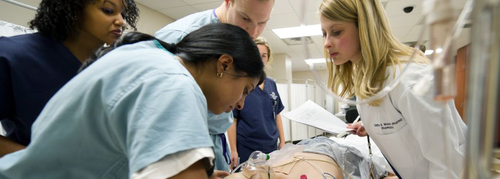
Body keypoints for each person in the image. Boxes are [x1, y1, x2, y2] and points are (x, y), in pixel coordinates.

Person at [0, 23, 265, 179]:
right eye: (245, 90)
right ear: (225, 64)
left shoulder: (149, 55)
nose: (241, 104)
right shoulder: (174, 84)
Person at [319, 0, 467, 178]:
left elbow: (448, 164)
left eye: (336, 32)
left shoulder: (411, 79)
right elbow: (400, 117)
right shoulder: (368, 77)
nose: (327, 43)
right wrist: (371, 126)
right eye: (324, 33)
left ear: (365, 28)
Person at [0, 0, 139, 157]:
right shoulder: (12, 55)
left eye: (124, 14)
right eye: (108, 10)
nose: (121, 22)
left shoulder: (114, 68)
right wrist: (36, 164)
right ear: (73, 9)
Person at [154, 0, 275, 172]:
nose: (254, 32)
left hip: (213, 141)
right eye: (245, 18)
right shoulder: (180, 36)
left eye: (262, 23)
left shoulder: (237, 43)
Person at [228, 37, 285, 170]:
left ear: (267, 59)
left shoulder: (271, 84)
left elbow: (277, 114)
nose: (260, 59)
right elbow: (233, 120)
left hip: (271, 145)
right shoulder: (241, 83)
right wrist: (233, 150)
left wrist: (282, 141)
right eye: (257, 55)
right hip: (247, 146)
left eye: (264, 56)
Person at [224, 137, 398, 179]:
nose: (251, 168)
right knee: (381, 173)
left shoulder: (257, 168)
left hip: (306, 148)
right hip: (334, 154)